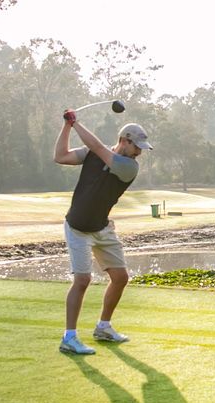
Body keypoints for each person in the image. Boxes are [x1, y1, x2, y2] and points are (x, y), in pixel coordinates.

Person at [53, 110, 152, 355]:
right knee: (83, 280)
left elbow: (97, 147)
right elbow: (60, 156)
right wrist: (67, 127)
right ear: (124, 140)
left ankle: (103, 327)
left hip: (102, 228)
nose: (139, 152)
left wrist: (76, 124)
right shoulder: (92, 154)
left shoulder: (129, 167)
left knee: (120, 278)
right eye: (136, 146)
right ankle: (70, 337)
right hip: (77, 227)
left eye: (141, 148)